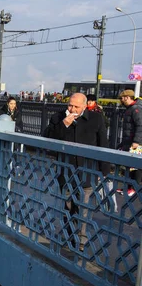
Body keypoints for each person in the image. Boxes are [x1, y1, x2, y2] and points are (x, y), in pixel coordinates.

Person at [44, 92, 110, 251]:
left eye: (76, 106)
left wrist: (105, 169)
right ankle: (69, 235)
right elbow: (47, 140)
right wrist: (63, 125)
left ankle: (81, 240)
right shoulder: (58, 118)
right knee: (68, 206)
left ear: (85, 106)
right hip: (66, 170)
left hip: (86, 171)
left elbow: (103, 144)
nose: (72, 109)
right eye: (70, 105)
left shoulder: (96, 119)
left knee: (83, 207)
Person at [117, 89, 142, 197]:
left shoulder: (135, 109)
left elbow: (140, 126)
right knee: (130, 166)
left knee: (134, 167)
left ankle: (133, 188)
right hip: (130, 141)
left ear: (127, 97)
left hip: (135, 142)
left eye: (122, 98)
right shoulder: (131, 109)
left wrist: (136, 141)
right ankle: (128, 187)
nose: (121, 100)